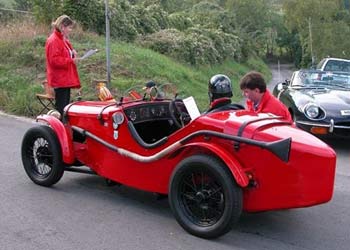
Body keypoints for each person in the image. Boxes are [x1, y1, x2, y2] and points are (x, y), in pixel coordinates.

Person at [45, 15, 81, 117]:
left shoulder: (61, 39)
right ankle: (58, 129)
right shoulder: (54, 40)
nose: (70, 30)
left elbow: (64, 51)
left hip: (65, 79)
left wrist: (72, 51)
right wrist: (70, 61)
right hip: (60, 79)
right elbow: (54, 60)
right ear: (62, 27)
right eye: (69, 27)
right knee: (61, 107)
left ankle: (62, 127)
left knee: (65, 106)